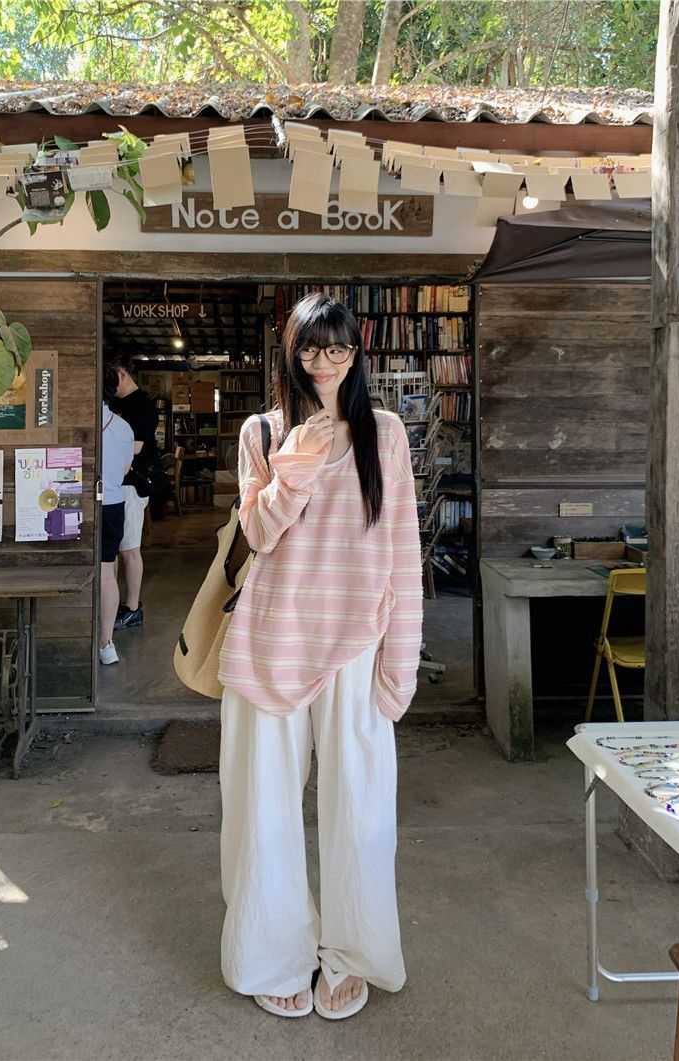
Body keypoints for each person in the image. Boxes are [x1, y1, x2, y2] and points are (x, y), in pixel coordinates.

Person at [217, 293, 423, 1020]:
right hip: (270, 642)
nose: (324, 362)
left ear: (356, 353)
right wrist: (297, 460)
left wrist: (401, 661)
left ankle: (353, 952)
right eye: (310, 347)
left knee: (361, 812)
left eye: (337, 348)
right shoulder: (262, 432)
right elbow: (259, 534)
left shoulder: (385, 435)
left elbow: (402, 552)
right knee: (262, 812)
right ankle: (272, 954)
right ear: (291, 352)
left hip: (356, 646)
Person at [108, 356, 159, 630]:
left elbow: (136, 448)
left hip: (131, 485)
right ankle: (115, 604)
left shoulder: (143, 405)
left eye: (113, 376)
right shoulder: (114, 403)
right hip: (115, 484)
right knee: (115, 551)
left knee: (129, 550)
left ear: (124, 374)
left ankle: (132, 608)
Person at [100, 366, 134, 666]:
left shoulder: (77, 421)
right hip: (112, 504)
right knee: (106, 571)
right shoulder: (123, 428)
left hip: (77, 503)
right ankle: (106, 643)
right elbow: (125, 470)